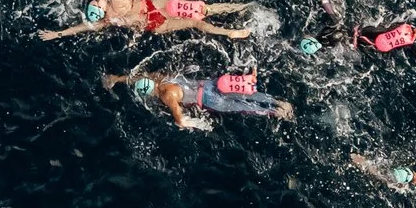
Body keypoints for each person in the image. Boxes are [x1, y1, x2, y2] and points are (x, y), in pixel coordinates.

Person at [38, 0, 261, 40]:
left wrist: (58, 33)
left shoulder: (107, 21)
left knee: (196, 24)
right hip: (156, 7)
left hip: (154, 26)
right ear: (101, 6)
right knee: (204, 9)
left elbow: (82, 28)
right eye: (97, 1)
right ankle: (239, 7)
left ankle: (226, 32)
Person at [103, 69, 294, 130]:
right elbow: (136, 78)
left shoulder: (166, 96)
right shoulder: (159, 78)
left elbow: (180, 118)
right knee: (245, 94)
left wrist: (196, 124)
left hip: (210, 100)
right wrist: (116, 79)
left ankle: (275, 112)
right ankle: (279, 103)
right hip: (210, 85)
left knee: (240, 107)